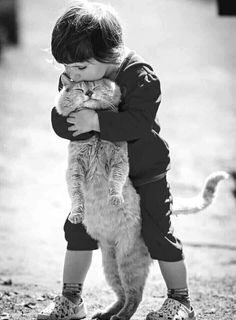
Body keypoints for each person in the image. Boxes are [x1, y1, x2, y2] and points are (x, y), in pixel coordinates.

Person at [38, 1, 196, 320]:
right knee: (78, 228)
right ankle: (72, 299)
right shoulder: (75, 74)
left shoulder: (140, 75)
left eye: (80, 68)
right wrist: (75, 124)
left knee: (156, 233)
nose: (70, 75)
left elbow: (140, 122)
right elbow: (60, 118)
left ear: (109, 55)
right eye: (65, 69)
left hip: (144, 173)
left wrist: (96, 122)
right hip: (98, 179)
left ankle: (180, 301)